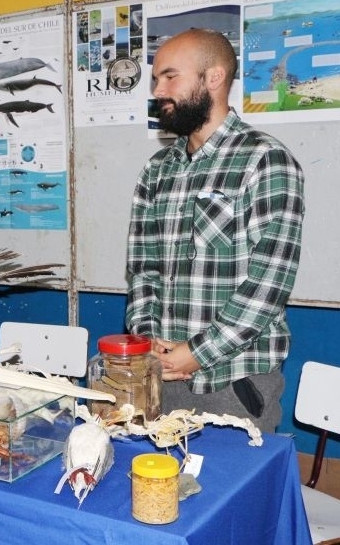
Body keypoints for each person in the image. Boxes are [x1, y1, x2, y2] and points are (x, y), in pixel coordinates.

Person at [125, 29, 305, 432]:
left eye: (170, 77)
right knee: (159, 492)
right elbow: (142, 270)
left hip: (232, 382)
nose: (158, 90)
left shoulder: (266, 160)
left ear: (214, 78)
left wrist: (198, 352)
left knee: (231, 493)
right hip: (161, 377)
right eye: (156, 80)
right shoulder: (156, 171)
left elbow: (268, 285)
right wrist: (148, 342)